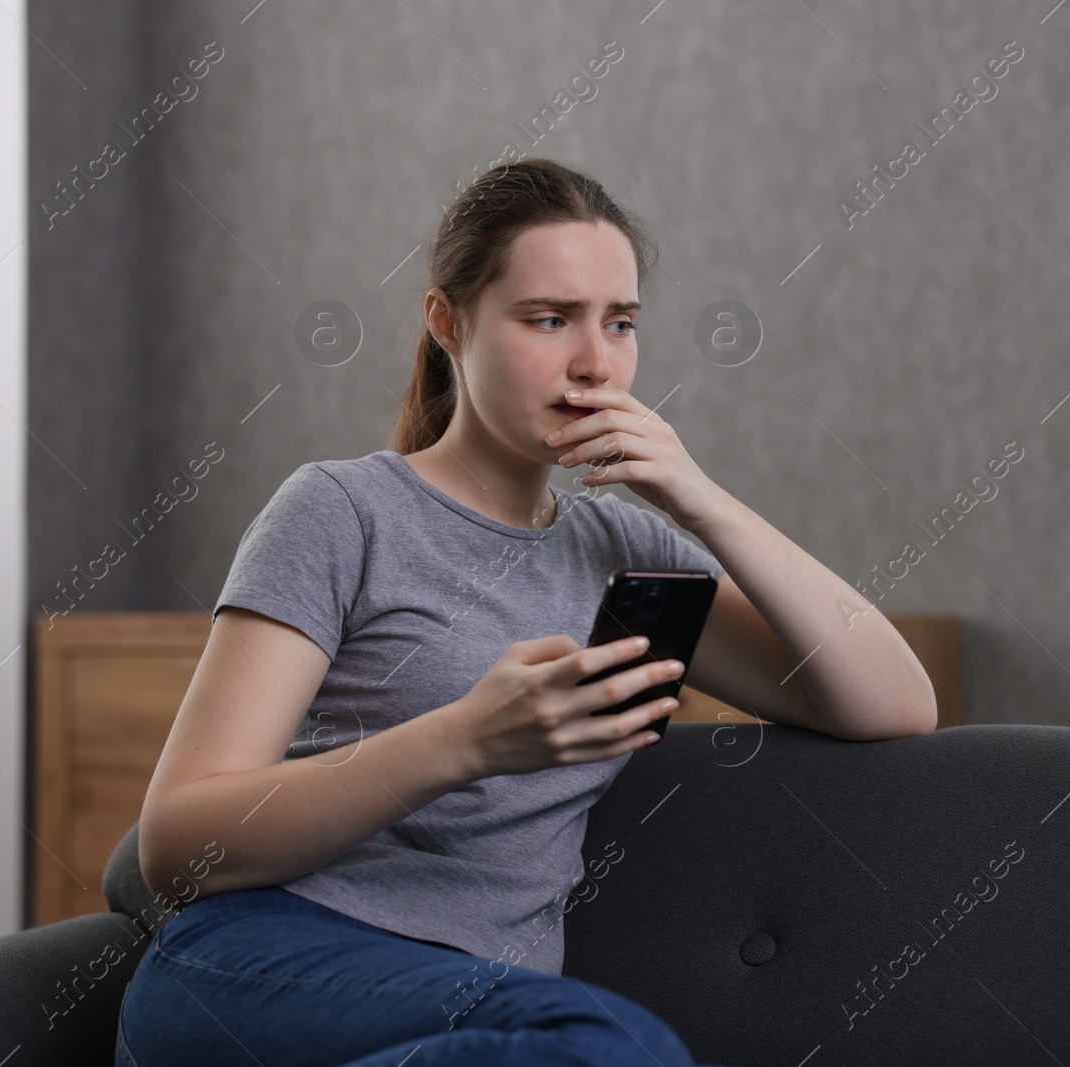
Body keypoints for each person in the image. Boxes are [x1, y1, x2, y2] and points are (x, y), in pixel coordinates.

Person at [114, 157, 937, 1067]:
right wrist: (464, 740)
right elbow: (175, 844)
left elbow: (896, 706)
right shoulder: (342, 511)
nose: (595, 363)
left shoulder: (631, 554)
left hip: (482, 1022)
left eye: (619, 323)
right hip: (257, 962)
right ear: (448, 323)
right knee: (611, 1042)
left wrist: (700, 498)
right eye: (549, 319)